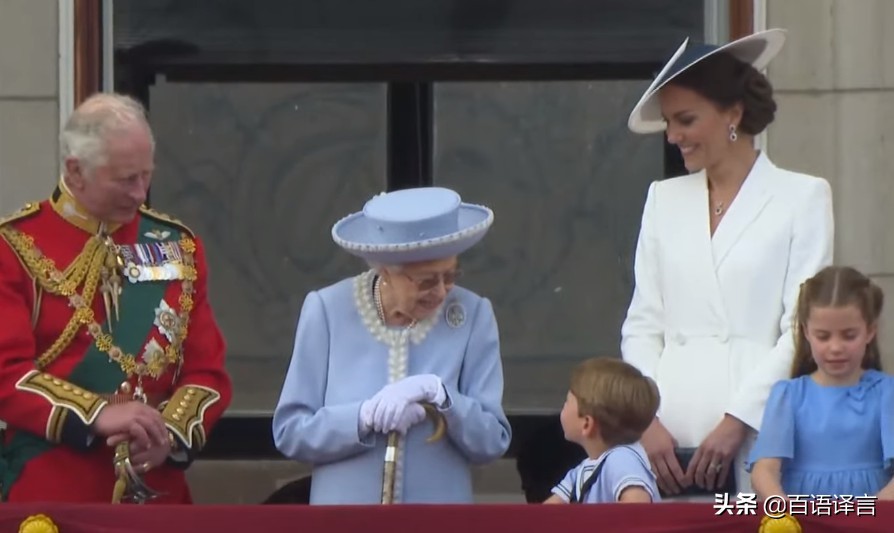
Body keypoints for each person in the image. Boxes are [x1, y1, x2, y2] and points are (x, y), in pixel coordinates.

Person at [620, 28, 835, 498]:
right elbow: (642, 323)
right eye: (669, 123)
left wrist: (740, 419)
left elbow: (801, 327)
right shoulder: (663, 198)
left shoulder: (802, 197)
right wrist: (646, 419)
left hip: (761, 433)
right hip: (665, 442)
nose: (673, 136)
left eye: (686, 120)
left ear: (733, 114)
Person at [0, 93, 232, 503]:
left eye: (146, 176)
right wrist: (98, 415)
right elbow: (6, 375)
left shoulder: (178, 246)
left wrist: (169, 436)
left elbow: (207, 373)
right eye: (126, 179)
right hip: (53, 489)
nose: (141, 193)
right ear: (75, 171)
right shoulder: (15, 246)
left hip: (157, 490)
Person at [272, 186, 512, 504]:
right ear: (385, 270)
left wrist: (442, 396)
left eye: (450, 276)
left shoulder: (473, 314)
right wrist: (362, 417)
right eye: (427, 280)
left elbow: (492, 441)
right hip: (345, 523)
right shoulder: (327, 310)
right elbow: (290, 432)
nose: (442, 292)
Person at [750, 266, 894, 501]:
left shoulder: (887, 393)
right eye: (823, 336)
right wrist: (782, 509)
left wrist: (869, 515)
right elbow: (765, 469)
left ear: (870, 332)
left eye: (849, 336)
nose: (835, 347)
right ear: (806, 333)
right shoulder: (788, 395)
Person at [544, 357, 660, 504]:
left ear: (586, 424)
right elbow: (546, 512)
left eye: (567, 401)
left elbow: (636, 505)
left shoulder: (622, 459)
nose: (563, 407)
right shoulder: (583, 470)